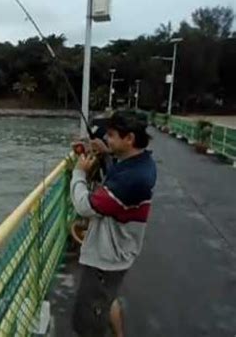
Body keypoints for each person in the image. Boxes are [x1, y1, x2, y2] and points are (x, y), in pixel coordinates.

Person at [70, 110, 157, 337]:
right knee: (107, 300)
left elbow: (83, 205)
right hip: (119, 252)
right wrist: (107, 152)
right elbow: (116, 175)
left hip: (107, 260)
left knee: (89, 321)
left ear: (129, 139)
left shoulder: (130, 180)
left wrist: (79, 173)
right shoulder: (140, 162)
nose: (106, 139)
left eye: (111, 135)